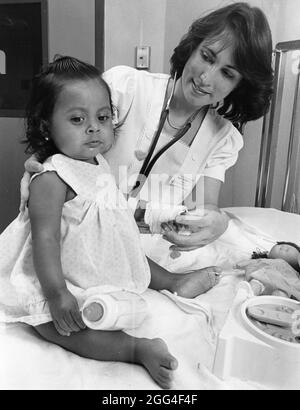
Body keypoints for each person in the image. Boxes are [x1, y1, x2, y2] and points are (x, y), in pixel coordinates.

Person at [0, 56, 220, 389]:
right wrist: (57, 294)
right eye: (77, 119)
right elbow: (45, 240)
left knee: (127, 245)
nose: (94, 127)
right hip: (57, 271)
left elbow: (110, 215)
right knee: (51, 324)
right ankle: (134, 348)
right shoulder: (51, 177)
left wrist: (158, 218)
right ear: (46, 126)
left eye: (103, 117)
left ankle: (172, 282)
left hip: (94, 255)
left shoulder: (98, 162)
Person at [21, 3, 273, 271]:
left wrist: (216, 221)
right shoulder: (125, 88)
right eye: (208, 57)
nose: (205, 77)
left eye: (227, 73)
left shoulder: (223, 138)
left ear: (239, 85)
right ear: (193, 48)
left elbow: (203, 205)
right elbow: (63, 148)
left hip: (154, 252)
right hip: (85, 234)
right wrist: (39, 165)